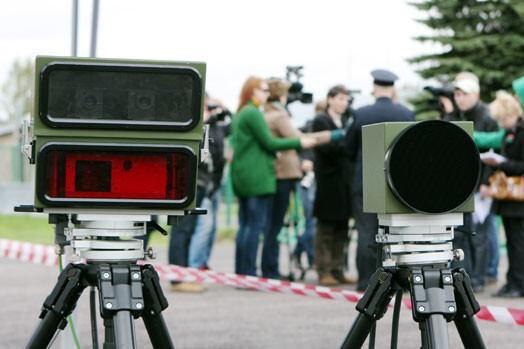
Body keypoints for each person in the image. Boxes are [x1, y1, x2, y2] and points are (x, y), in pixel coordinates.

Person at [230, 76, 317, 277]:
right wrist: (299, 143)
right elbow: (270, 143)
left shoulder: (241, 112)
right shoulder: (253, 113)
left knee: (246, 226)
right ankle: (249, 273)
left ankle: (242, 272)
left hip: (244, 175)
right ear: (253, 91)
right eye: (263, 90)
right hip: (257, 176)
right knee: (254, 226)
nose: (267, 94)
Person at [345, 69, 414, 292]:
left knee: (366, 232)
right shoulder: (406, 114)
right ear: (392, 89)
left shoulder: (361, 113)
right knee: (397, 233)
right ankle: (399, 281)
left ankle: (366, 281)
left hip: (365, 182)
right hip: (396, 184)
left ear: (374, 88)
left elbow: (349, 148)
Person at [444, 73, 499, 293]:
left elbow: (494, 153)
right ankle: (460, 275)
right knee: (459, 233)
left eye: (464, 94)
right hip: (458, 186)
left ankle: (479, 277)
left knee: (480, 234)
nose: (460, 98)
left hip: (479, 187)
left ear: (475, 94)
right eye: (457, 94)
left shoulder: (487, 117)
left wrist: (486, 182)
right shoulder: (453, 115)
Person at [480, 91, 524, 298]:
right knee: (514, 243)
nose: (502, 123)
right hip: (509, 199)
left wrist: (503, 163)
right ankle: (512, 281)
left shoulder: (521, 132)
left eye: (504, 118)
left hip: (518, 199)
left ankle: (519, 283)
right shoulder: (509, 133)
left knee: (518, 243)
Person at [312, 85, 354, 286]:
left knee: (342, 228)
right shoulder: (321, 120)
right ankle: (324, 270)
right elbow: (328, 148)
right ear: (330, 99)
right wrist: (346, 142)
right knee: (326, 229)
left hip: (344, 181)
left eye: (346, 100)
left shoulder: (346, 121)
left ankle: (338, 269)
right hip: (328, 182)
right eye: (340, 99)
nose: (344, 103)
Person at [187, 96, 231, 271]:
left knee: (211, 230)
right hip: (203, 184)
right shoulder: (203, 129)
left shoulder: (217, 128)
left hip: (214, 185)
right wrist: (204, 120)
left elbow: (232, 125)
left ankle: (202, 263)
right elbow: (203, 156)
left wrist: (223, 107)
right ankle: (195, 266)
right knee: (204, 228)